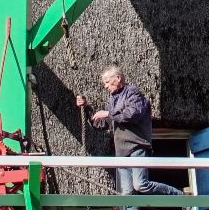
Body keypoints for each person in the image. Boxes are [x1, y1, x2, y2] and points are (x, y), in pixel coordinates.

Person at [75, 64, 183, 195]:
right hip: (121, 152)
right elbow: (102, 124)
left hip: (136, 147)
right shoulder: (112, 101)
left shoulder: (132, 93)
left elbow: (132, 115)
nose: (105, 86)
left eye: (107, 82)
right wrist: (86, 107)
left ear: (118, 78)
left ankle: (179, 196)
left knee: (141, 185)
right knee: (127, 193)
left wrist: (109, 114)